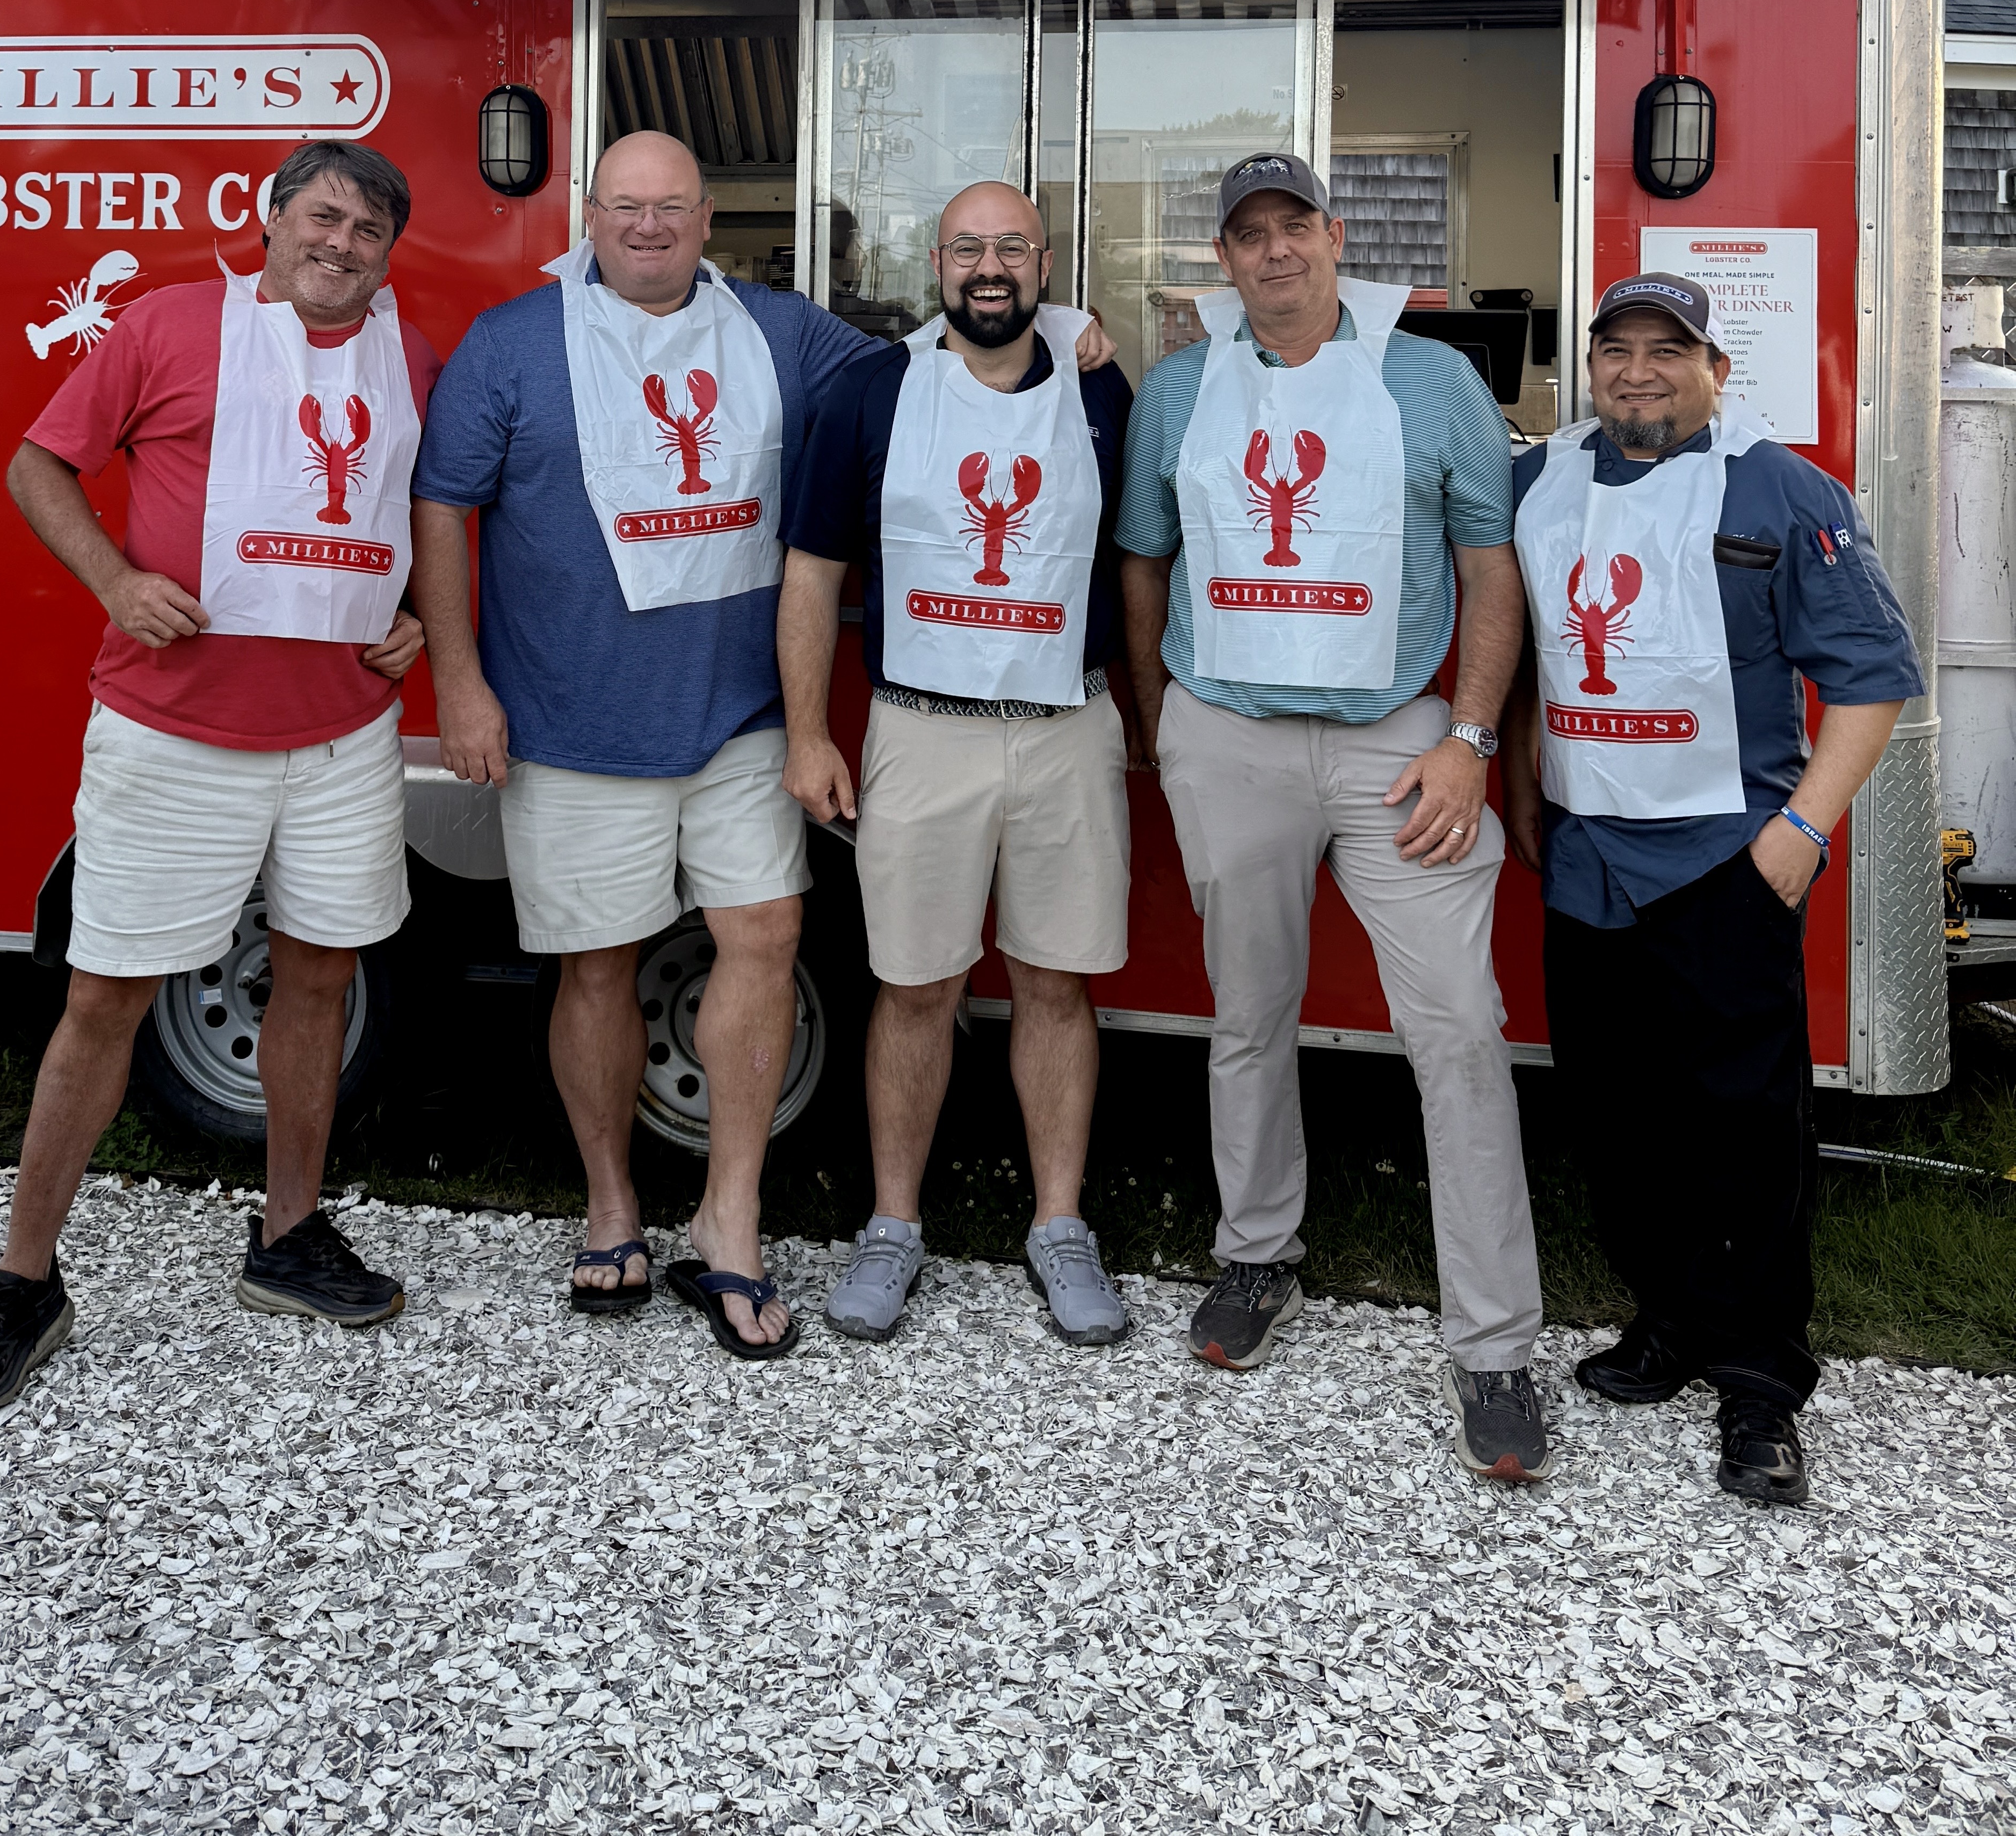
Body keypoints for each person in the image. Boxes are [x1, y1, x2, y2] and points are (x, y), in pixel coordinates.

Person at [412, 132, 1112, 1359]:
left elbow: (947, 357)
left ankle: (728, 1219)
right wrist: (456, 680)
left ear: (705, 218)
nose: (648, 227)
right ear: (588, 215)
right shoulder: (510, 343)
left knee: (768, 938)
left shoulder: (783, 332)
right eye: (625, 208)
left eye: (671, 208)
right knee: (596, 969)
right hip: (571, 720)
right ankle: (614, 1205)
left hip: (737, 719)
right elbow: (441, 502)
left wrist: (1074, 324)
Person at [0, 142, 440, 1423]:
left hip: (340, 739)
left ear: (389, 255)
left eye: (370, 230)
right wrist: (114, 583)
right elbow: (36, 465)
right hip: (176, 734)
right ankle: (22, 1279)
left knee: (319, 975)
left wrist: (421, 617)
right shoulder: (164, 327)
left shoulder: (412, 356)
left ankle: (290, 1233)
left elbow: (419, 514)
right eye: (323, 216)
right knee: (107, 997)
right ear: (271, 223)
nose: (343, 243)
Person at [1118, 151, 1551, 1483]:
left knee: (1459, 1031)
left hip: (1397, 755)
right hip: (1229, 736)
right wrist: (1161, 723)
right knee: (1247, 1017)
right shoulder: (1181, 387)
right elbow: (1145, 558)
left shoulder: (1433, 379)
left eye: (1293, 225)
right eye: (1247, 235)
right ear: (1227, 261)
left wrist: (1471, 738)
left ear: (1335, 236)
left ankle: (1494, 1343)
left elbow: (1494, 568)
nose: (1274, 252)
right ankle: (1258, 1256)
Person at [1504, 274, 1922, 1510]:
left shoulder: (1783, 490)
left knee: (1746, 1135)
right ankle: (1671, 1320)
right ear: (1591, 365)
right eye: (1617, 350)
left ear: (1716, 369)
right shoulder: (1540, 481)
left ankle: (1760, 1382)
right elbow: (1522, 638)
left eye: (1668, 351)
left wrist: (1801, 829)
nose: (1640, 372)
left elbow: (1871, 674)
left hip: (1723, 864)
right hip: (1587, 866)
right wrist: (1525, 786)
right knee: (1620, 1119)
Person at [779, 183, 1138, 1347]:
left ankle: (1060, 1224)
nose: (992, 268)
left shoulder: (1099, 388)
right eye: (970, 248)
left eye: (1014, 249)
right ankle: (893, 1225)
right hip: (920, 726)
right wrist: (808, 731)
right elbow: (812, 574)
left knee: (1055, 982)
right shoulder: (872, 391)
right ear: (935, 262)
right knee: (917, 986)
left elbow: (1147, 552)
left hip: (1066, 727)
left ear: (1047, 264)